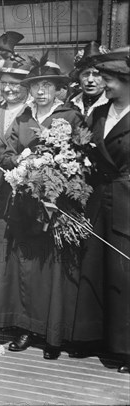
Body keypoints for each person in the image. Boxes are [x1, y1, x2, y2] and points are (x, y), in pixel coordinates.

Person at [0, 57, 85, 359]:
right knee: (27, 266)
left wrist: (57, 168)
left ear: (58, 89)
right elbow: (6, 155)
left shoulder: (70, 116)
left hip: (56, 206)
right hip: (25, 204)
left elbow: (81, 156)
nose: (40, 91)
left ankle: (53, 335)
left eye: (47, 85)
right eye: (35, 86)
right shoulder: (23, 119)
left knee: (53, 268)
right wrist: (21, 161)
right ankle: (26, 327)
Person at [86, 46, 130, 373]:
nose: (105, 85)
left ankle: (126, 349)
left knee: (123, 276)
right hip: (99, 198)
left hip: (127, 201)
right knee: (98, 269)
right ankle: (102, 339)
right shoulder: (98, 115)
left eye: (110, 80)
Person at [0, 62, 31, 323]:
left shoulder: (34, 112)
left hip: (28, 194)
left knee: (23, 254)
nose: (9, 88)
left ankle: (22, 315)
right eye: (5, 83)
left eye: (16, 83)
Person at [67, 41, 109, 119]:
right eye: (86, 74)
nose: (90, 80)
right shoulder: (71, 103)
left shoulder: (113, 104)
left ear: (106, 78)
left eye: (96, 74)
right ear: (78, 77)